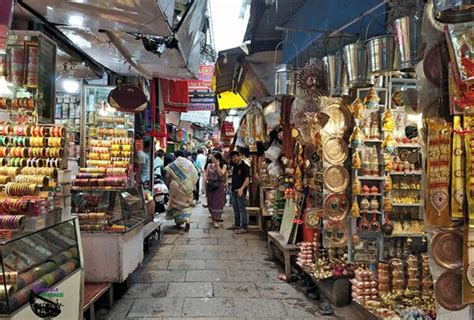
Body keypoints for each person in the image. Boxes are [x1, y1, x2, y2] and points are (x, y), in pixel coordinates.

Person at [164, 150, 198, 231]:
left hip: (175, 186)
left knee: (176, 205)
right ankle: (187, 220)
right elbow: (195, 175)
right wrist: (191, 185)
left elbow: (167, 176)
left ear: (175, 156)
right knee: (186, 204)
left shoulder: (173, 165)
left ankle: (178, 223)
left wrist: (169, 184)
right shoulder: (190, 164)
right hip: (187, 187)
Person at [229, 150, 250, 234]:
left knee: (242, 209)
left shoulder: (245, 167)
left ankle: (243, 227)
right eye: (232, 157)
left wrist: (241, 189)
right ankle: (237, 225)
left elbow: (247, 179)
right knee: (236, 209)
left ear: (239, 156)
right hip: (234, 190)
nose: (233, 159)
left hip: (240, 191)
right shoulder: (235, 166)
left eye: (235, 157)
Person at [206, 152, 227, 228]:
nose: (212, 159)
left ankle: (216, 220)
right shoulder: (209, 165)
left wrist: (217, 165)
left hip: (219, 186)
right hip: (211, 186)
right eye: (211, 158)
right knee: (210, 201)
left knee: (217, 202)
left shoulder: (223, 165)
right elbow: (206, 175)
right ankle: (213, 217)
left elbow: (221, 174)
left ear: (218, 159)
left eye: (213, 158)